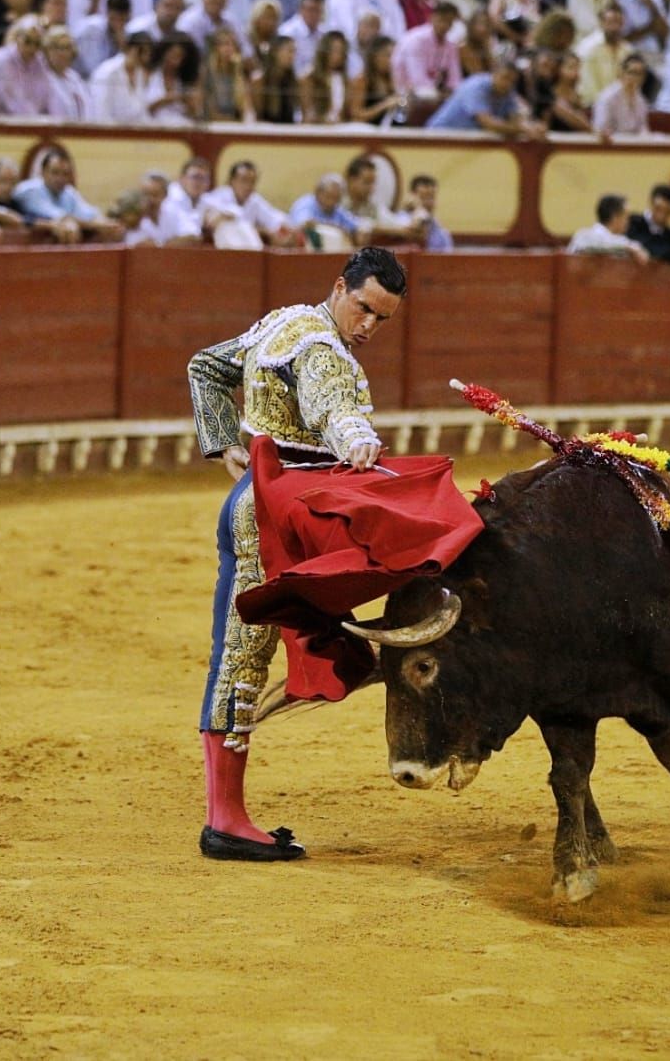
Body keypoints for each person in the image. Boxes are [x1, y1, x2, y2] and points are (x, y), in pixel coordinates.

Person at [185, 247, 407, 862]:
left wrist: (222, 444)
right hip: (275, 518)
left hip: (270, 501)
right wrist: (357, 439)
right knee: (243, 652)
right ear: (340, 288)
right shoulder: (318, 348)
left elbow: (206, 367)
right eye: (363, 308)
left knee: (251, 647)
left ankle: (228, 811)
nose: (367, 326)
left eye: (382, 319)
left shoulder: (283, 322)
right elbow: (331, 404)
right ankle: (225, 819)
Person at [426, 59, 546, 138]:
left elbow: (515, 119)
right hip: (439, 137)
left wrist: (533, 126)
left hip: (466, 140)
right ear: (494, 73)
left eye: (512, 81)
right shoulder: (475, 86)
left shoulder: (508, 92)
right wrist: (524, 129)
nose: (507, 83)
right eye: (505, 78)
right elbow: (488, 123)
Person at [567, 192, 650, 261]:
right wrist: (629, 246)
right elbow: (595, 244)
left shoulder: (621, 243)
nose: (629, 222)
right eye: (626, 217)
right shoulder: (584, 235)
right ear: (615, 217)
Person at [289, 173, 364, 247]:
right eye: (328, 197)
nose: (331, 202)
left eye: (336, 198)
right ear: (317, 192)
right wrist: (337, 229)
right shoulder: (305, 204)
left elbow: (356, 226)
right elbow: (304, 224)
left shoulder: (337, 209)